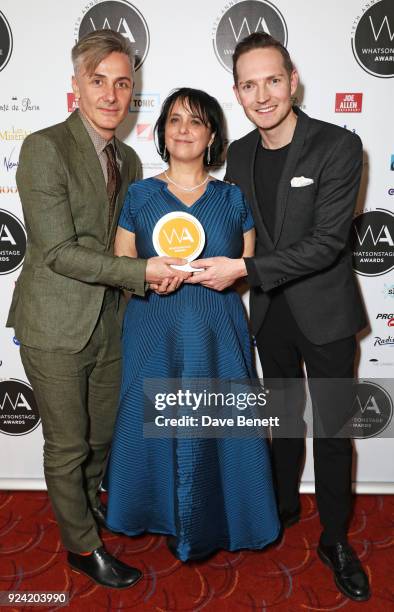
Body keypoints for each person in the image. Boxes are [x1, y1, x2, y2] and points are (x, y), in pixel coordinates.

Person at [188, 34, 370, 601]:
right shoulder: (238, 154)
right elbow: (220, 223)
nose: (262, 94)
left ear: (292, 80)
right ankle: (283, 508)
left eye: (272, 80)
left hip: (327, 313)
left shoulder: (339, 145)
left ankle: (336, 539)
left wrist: (243, 267)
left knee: (333, 430)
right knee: (284, 423)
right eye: (248, 84)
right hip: (270, 316)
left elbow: (326, 244)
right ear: (237, 93)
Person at [6, 30, 188, 589]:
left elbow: (125, 244)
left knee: (101, 437)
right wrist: (141, 274)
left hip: (111, 322)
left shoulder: (129, 157)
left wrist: (155, 273)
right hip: (54, 324)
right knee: (66, 442)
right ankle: (82, 546)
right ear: (76, 86)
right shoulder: (44, 147)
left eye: (123, 83)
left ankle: (84, 509)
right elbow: (59, 252)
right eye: (99, 81)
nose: (112, 95)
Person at [105, 87, 280, 561]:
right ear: (162, 130)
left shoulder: (231, 197)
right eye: (175, 119)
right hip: (152, 329)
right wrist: (147, 277)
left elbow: (246, 265)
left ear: (211, 136)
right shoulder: (140, 194)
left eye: (196, 121)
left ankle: (223, 518)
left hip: (216, 331)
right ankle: (155, 513)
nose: (184, 129)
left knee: (218, 425)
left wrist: (221, 275)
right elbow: (123, 264)